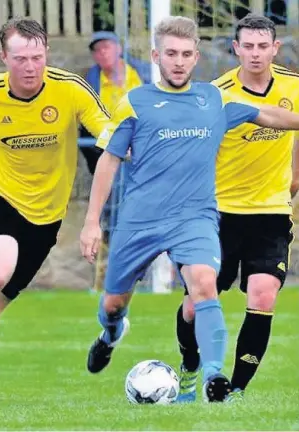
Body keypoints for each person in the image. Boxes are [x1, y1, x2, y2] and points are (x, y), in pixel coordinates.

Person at [79, 15, 299, 403]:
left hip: (228, 215)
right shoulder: (157, 100)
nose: (178, 62)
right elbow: (111, 160)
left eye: (185, 54)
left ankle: (223, 384)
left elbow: (272, 117)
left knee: (229, 290)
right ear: (156, 57)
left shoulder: (232, 96)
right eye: (170, 54)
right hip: (177, 215)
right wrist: (92, 222)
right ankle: (131, 342)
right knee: (131, 304)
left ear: (196, 56)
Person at [0, 17, 111, 408]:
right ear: (4, 57)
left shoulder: (71, 89)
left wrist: (126, 144)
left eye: (37, 57)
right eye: (21, 58)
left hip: (46, 217)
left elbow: (106, 131)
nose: (30, 67)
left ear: (46, 53)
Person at [175, 13, 299, 403]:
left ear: (275, 48)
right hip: (219, 215)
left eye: (263, 46)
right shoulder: (216, 94)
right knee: (196, 304)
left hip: (271, 212)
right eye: (248, 46)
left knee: (263, 295)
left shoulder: (294, 87)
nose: (256, 53)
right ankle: (190, 368)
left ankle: (235, 392)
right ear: (236, 49)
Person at [80, 31, 144, 292]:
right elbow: (86, 126)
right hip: (111, 158)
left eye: (107, 47)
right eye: (97, 50)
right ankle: (107, 277)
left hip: (144, 154)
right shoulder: (91, 82)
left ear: (119, 48)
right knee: (111, 217)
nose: (102, 53)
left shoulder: (142, 74)